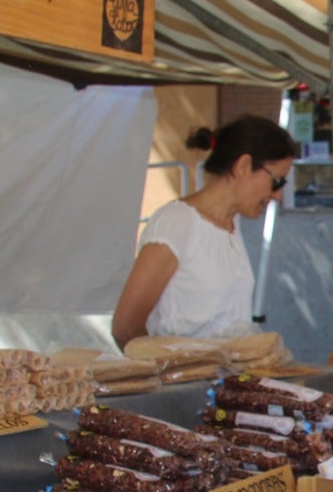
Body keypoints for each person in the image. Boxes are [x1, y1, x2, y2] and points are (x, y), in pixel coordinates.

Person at [111, 116, 294, 349]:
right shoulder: (176, 222)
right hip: (188, 384)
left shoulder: (232, 225)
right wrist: (171, 370)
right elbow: (125, 328)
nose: (278, 195)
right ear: (243, 166)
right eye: (276, 182)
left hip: (228, 381)